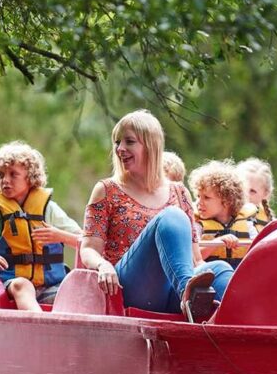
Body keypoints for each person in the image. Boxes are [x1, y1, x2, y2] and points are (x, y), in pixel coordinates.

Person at [80, 110, 234, 322]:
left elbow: (195, 258)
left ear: (150, 145)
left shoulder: (180, 192)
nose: (120, 149)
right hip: (129, 288)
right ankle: (188, 297)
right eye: (117, 142)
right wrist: (102, 265)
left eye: (129, 141)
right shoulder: (107, 190)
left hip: (172, 289)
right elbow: (88, 249)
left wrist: (211, 278)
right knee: (171, 217)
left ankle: (233, 333)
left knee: (221, 269)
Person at [0, 141, 81, 312]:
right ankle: (40, 327)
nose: (5, 180)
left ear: (30, 178)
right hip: (11, 285)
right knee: (23, 285)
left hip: (51, 286)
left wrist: (60, 235)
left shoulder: (49, 210)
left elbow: (85, 241)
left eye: (13, 174)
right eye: (1, 175)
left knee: (75, 291)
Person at [189, 160, 259, 268]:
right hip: (211, 277)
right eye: (198, 196)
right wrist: (218, 241)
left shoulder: (246, 224)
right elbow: (194, 258)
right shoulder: (198, 225)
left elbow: (258, 251)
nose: (199, 202)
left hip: (239, 276)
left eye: (206, 197)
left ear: (226, 201)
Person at [236, 157, 275, 228]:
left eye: (252, 191)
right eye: (241, 188)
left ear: (265, 194)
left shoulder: (271, 225)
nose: (245, 195)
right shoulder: (221, 216)